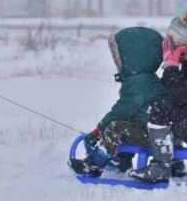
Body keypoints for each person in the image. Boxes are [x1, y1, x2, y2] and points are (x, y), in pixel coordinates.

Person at [69, 26, 172, 177]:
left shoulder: (139, 82)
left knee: (116, 128)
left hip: (153, 135)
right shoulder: (147, 79)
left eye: (119, 57)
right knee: (130, 123)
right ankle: (121, 160)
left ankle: (94, 165)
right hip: (158, 133)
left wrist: (99, 130)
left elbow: (121, 111)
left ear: (133, 58)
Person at [129, 10, 187, 183]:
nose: (173, 46)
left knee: (161, 110)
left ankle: (160, 167)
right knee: (172, 108)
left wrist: (170, 66)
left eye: (176, 42)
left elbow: (180, 93)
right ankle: (176, 163)